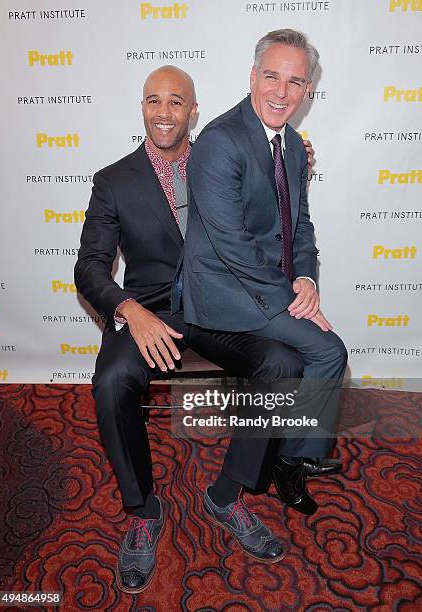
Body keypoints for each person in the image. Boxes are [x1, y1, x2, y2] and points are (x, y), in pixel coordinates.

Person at [75, 64, 325, 594]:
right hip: (151, 311)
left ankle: (228, 494)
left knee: (284, 362)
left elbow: (280, 211)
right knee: (112, 381)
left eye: (175, 102)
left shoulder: (227, 157)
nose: (163, 112)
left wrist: (290, 165)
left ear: (193, 110)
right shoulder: (114, 181)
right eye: (152, 101)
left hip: (221, 309)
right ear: (142, 108)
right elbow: (90, 267)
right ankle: (143, 510)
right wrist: (129, 310)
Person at [181, 29, 348, 529]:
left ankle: (294, 451)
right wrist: (292, 300)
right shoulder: (219, 142)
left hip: (267, 287)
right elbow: (234, 248)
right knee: (328, 350)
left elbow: (300, 224)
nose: (282, 91)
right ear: (253, 77)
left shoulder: (292, 144)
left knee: (303, 355)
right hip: (223, 295)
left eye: (295, 82)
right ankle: (292, 459)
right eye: (272, 76)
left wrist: (308, 280)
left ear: (307, 91)